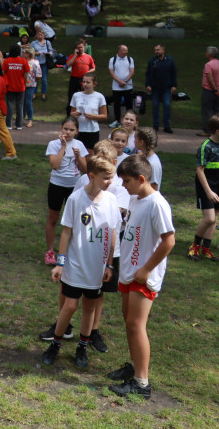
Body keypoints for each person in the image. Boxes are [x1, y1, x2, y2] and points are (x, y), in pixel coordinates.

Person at [41, 155, 120, 369]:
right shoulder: (76, 199)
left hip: (97, 268)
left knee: (89, 308)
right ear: (91, 176)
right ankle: (55, 345)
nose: (110, 182)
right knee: (69, 306)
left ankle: (82, 348)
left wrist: (110, 264)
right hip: (75, 265)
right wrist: (61, 262)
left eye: (111, 178)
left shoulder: (111, 200)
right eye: (106, 178)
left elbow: (113, 234)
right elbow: (66, 232)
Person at [108, 155, 175, 399]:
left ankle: (142, 383)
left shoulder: (157, 203)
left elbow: (169, 240)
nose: (123, 186)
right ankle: (135, 366)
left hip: (143, 276)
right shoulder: (137, 199)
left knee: (137, 325)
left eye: (126, 181)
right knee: (129, 321)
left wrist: (146, 269)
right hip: (128, 273)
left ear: (142, 178)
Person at [45, 117, 89, 265]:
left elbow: (85, 170)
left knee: (75, 220)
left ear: (77, 131)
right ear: (61, 128)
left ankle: (71, 252)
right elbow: (55, 165)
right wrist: (63, 148)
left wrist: (78, 157)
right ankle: (50, 251)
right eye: (66, 129)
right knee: (53, 219)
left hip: (75, 187)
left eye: (71, 130)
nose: (68, 132)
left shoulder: (80, 145)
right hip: (57, 185)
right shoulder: (54, 144)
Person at [190, 114, 219, 260]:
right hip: (206, 188)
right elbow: (199, 170)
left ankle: (205, 249)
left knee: (214, 219)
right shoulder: (205, 147)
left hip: (218, 187)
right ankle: (194, 246)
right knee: (209, 218)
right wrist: (208, 191)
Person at [70, 72, 108, 151]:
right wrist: (75, 114)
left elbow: (104, 115)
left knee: (90, 154)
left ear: (94, 84)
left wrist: (93, 117)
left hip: (92, 130)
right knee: (77, 153)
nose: (85, 84)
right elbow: (71, 113)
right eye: (83, 82)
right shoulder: (76, 95)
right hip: (78, 129)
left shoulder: (99, 96)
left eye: (88, 82)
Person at [144, 44, 177, 133]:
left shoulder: (170, 60)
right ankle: (156, 125)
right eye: (155, 50)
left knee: (167, 105)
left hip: (166, 87)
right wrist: (148, 84)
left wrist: (174, 85)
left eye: (158, 50)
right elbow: (148, 74)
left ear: (163, 50)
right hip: (155, 88)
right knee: (155, 106)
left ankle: (166, 126)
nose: (156, 52)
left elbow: (173, 73)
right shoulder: (152, 61)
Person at [64, 41, 95, 118]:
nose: (80, 49)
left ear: (84, 48)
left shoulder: (88, 57)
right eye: (78, 48)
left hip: (84, 79)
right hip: (74, 78)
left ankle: (85, 114)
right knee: (71, 96)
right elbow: (68, 64)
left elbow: (93, 68)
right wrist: (75, 55)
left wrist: (88, 72)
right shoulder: (72, 56)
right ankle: (69, 115)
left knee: (85, 96)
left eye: (81, 47)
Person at [107, 45, 135, 127]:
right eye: (125, 50)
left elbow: (132, 72)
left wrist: (125, 81)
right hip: (116, 87)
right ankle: (117, 121)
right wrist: (119, 81)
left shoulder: (130, 59)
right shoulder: (113, 60)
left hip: (128, 87)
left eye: (127, 50)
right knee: (117, 104)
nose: (127, 52)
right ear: (119, 51)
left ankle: (128, 121)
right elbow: (112, 73)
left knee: (129, 104)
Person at [2, 44, 28, 130]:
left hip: (9, 86)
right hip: (20, 86)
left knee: (9, 105)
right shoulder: (23, 61)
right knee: (20, 105)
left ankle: (8, 125)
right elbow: (25, 73)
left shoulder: (7, 61)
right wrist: (24, 83)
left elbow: (4, 72)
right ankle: (19, 125)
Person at [200, 46, 219, 136]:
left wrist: (214, 88)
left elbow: (210, 78)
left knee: (207, 111)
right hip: (218, 91)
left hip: (209, 91)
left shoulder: (208, 65)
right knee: (216, 111)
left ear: (209, 54)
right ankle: (216, 130)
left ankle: (208, 130)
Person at [31, 30, 53, 103]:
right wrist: (35, 53)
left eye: (41, 35)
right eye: (39, 35)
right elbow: (30, 52)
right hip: (36, 64)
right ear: (37, 35)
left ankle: (43, 94)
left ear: (44, 35)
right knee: (35, 79)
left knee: (44, 80)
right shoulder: (33, 43)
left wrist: (48, 53)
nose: (40, 36)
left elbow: (52, 52)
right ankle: (34, 93)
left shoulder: (47, 42)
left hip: (44, 63)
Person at [22, 46, 41, 128]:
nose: (23, 54)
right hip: (22, 85)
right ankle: (22, 117)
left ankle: (30, 119)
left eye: (25, 52)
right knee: (21, 102)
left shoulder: (35, 62)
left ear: (29, 54)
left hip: (31, 85)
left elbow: (39, 75)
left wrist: (34, 80)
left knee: (28, 102)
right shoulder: (22, 61)